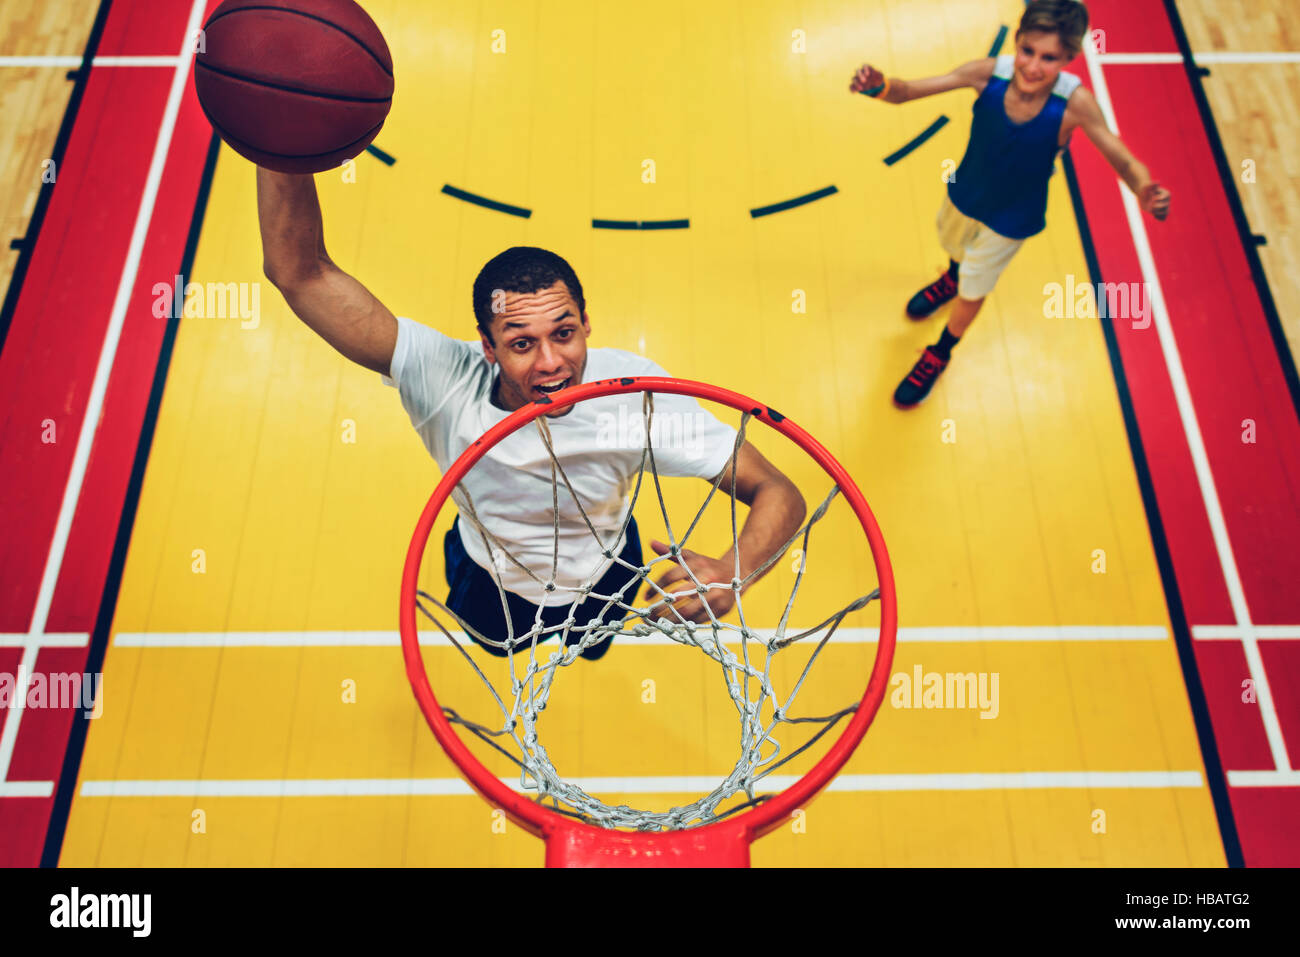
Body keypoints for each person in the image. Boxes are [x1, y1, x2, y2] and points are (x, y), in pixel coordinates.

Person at [256, 171, 806, 659]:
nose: (550, 363)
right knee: (498, 647)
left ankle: (587, 639)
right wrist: (280, 133)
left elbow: (778, 491)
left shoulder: (635, 396)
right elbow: (300, 274)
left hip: (607, 572)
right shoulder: (443, 378)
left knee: (591, 646)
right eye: (521, 344)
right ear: (487, 347)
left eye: (564, 334)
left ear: (586, 323)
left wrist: (734, 571)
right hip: (489, 575)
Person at [849, 0, 1171, 408]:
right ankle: (951, 277)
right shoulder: (986, 74)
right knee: (955, 251)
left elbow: (1122, 159)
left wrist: (1143, 187)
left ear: (1068, 59)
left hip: (1010, 220)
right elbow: (908, 91)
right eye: (1027, 51)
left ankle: (940, 351)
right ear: (1016, 42)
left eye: (1048, 58)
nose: (1033, 66)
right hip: (965, 193)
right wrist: (879, 87)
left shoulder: (1076, 105)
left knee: (974, 290)